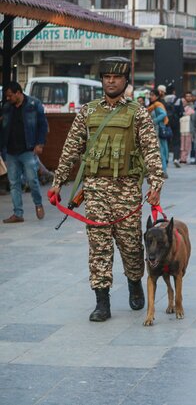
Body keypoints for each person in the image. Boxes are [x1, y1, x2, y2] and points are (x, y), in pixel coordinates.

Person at [49, 57, 164, 322]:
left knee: (131, 246)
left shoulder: (137, 113)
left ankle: (134, 283)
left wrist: (156, 184)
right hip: (95, 190)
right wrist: (58, 182)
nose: (111, 81)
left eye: (116, 77)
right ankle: (102, 302)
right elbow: (71, 148)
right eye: (107, 77)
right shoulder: (88, 111)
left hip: (127, 190)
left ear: (125, 81)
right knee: (98, 246)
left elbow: (151, 151)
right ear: (102, 80)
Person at [1, 81, 48, 223]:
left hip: (28, 149)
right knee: (14, 183)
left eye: (10, 95)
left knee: (32, 180)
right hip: (11, 151)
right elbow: (3, 127)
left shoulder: (34, 104)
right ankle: (18, 213)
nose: (8, 98)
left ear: (18, 93)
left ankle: (38, 204)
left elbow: (43, 125)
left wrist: (40, 144)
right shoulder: (7, 107)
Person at [148, 88, 169, 178]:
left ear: (157, 96)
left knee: (161, 151)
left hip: (158, 130)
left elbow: (163, 114)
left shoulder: (157, 104)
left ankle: (163, 171)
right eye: (150, 95)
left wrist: (154, 121)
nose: (150, 97)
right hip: (155, 130)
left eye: (152, 95)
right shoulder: (153, 105)